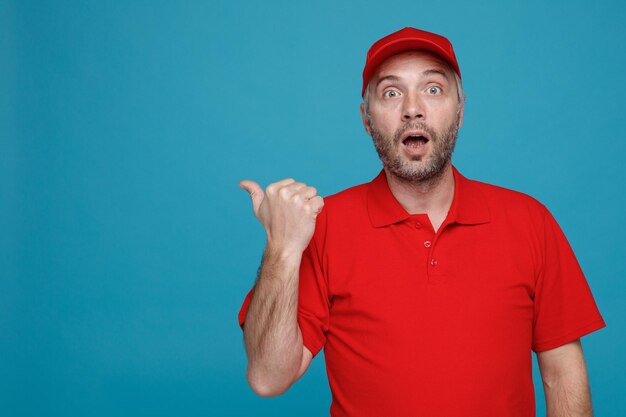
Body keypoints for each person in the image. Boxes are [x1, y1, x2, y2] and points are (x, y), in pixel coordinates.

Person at [236, 27, 606, 417]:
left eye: (432, 89)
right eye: (391, 93)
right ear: (366, 118)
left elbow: (562, 375)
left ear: (460, 111)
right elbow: (268, 377)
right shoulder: (323, 226)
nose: (412, 108)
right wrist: (282, 248)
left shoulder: (530, 221)